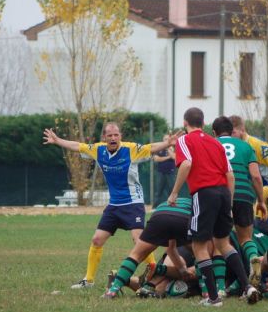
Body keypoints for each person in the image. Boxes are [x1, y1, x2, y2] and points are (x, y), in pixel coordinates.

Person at [43, 122, 178, 289]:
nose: (113, 138)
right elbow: (78, 146)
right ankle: (89, 280)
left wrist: (167, 143)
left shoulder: (130, 149)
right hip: (114, 205)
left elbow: (151, 147)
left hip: (133, 203)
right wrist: (57, 141)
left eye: (116, 135)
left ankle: (155, 271)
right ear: (104, 138)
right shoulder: (99, 150)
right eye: (110, 136)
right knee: (97, 239)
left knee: (139, 240)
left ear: (120, 136)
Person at [168, 107, 260, 307]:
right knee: (223, 244)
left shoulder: (184, 140)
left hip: (204, 193)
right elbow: (230, 175)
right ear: (203, 123)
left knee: (199, 246)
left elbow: (186, 165)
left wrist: (174, 192)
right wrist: (228, 201)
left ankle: (213, 297)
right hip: (224, 193)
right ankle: (248, 287)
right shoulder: (214, 142)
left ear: (185, 123)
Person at [102, 197, 193, 298]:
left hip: (160, 214)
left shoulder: (183, 200)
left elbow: (171, 248)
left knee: (136, 254)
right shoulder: (201, 205)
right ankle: (207, 294)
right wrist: (182, 270)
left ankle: (113, 289)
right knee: (202, 258)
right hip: (184, 218)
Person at [211, 116, 265, 287]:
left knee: (219, 242)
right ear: (232, 130)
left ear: (214, 132)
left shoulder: (210, 144)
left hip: (219, 194)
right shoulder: (246, 146)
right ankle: (254, 260)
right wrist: (261, 201)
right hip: (244, 195)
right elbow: (256, 176)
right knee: (245, 238)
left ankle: (220, 288)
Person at [153, 134, 176, 207]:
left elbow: (174, 157)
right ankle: (155, 207)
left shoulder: (172, 148)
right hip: (161, 172)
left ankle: (171, 204)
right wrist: (168, 157)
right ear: (163, 141)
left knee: (172, 189)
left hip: (171, 172)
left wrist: (169, 149)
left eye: (167, 139)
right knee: (158, 191)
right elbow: (156, 159)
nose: (166, 141)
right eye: (165, 139)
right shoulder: (159, 149)